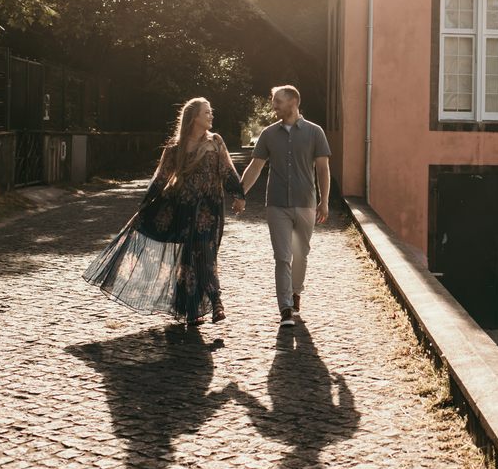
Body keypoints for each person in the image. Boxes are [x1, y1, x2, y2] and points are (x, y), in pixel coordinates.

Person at [83, 98, 246, 327]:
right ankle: (205, 305)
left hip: (209, 210)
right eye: (207, 112)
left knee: (205, 252)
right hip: (183, 208)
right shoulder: (175, 147)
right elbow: (161, 178)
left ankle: (202, 304)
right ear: (194, 117)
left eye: (211, 112)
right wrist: (145, 204)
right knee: (191, 257)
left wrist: (238, 194)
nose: (211, 116)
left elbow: (227, 170)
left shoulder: (216, 141)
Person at [239, 85, 330, 328]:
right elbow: (255, 167)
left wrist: (324, 201)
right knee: (282, 257)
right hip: (277, 203)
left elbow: (323, 169)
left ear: (293, 103)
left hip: (306, 202)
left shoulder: (315, 132)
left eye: (277, 101)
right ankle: (286, 308)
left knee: (301, 254)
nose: (273, 106)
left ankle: (296, 292)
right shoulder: (268, 134)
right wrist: (240, 193)